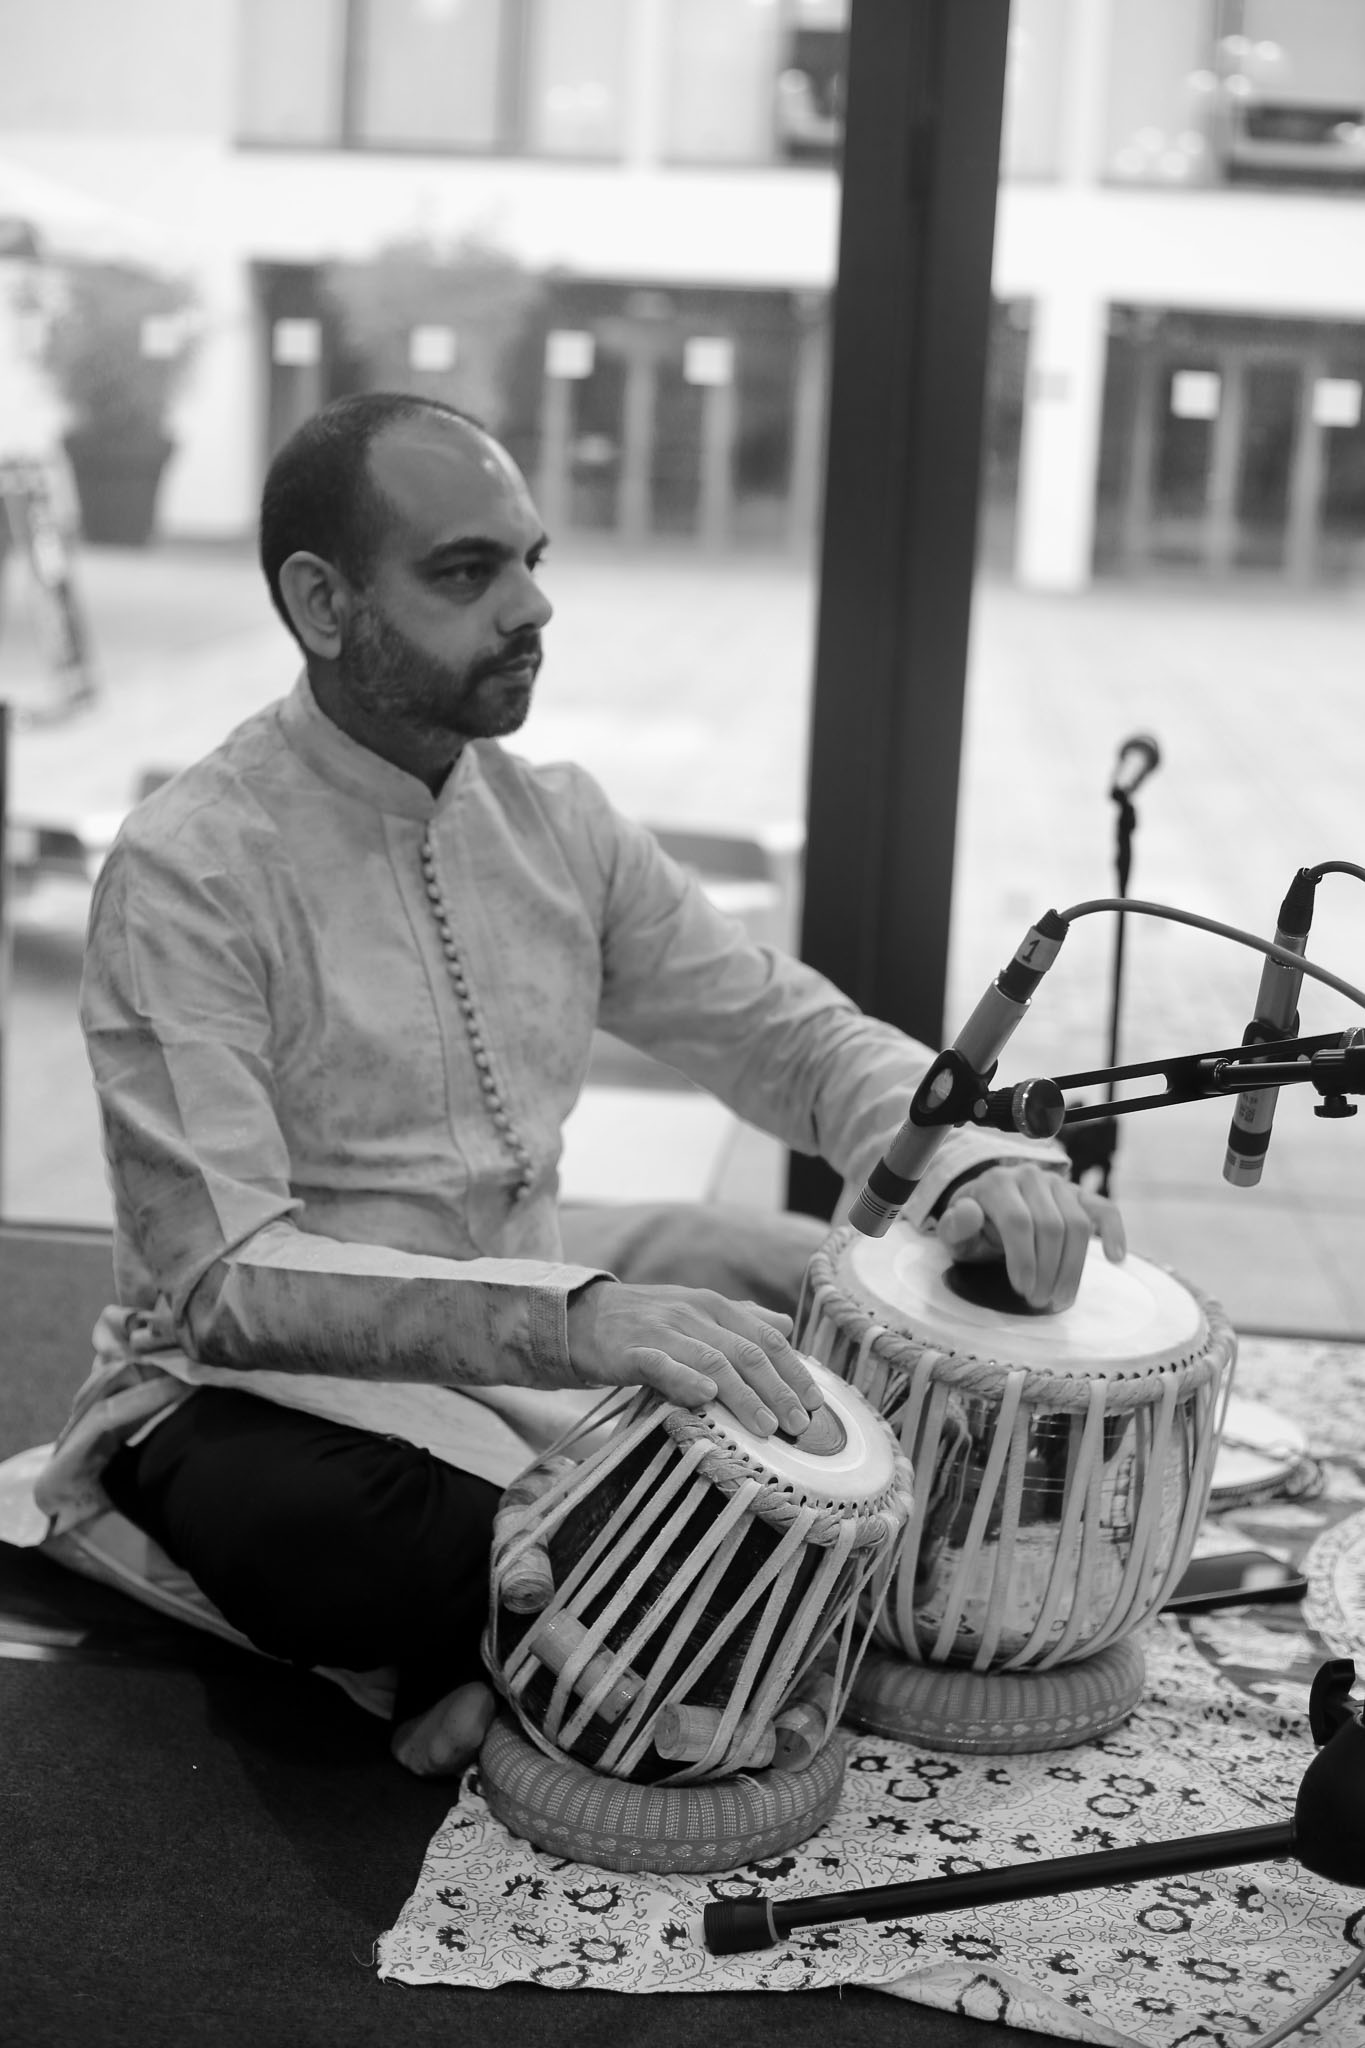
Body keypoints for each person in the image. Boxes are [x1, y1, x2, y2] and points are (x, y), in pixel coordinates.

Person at [37, 392, 1123, 1779]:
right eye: (465, 572)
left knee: (846, 1297)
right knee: (337, 1540)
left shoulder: (556, 824)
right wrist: (581, 1322)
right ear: (322, 602)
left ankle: (542, 1653)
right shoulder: (189, 867)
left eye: (531, 560)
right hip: (271, 1391)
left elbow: (782, 1033)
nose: (531, 606)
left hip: (547, 1328)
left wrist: (973, 1158)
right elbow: (223, 1281)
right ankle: (617, 1625)